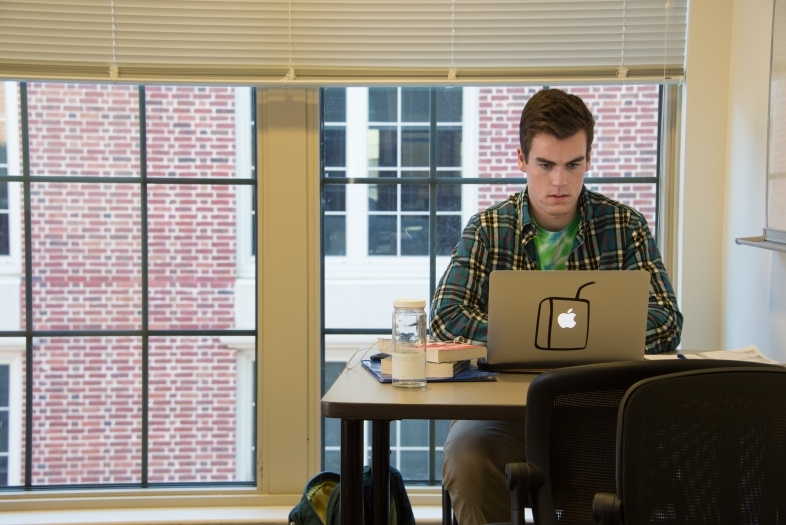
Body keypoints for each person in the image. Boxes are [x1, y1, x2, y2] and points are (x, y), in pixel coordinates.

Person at [430, 88, 683, 525]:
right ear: (521, 159)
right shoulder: (489, 229)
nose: (560, 182)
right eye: (546, 165)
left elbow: (666, 320)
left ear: (589, 159)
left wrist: (589, 342)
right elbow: (444, 316)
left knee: (643, 460)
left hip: (601, 414)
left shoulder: (626, 227)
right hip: (504, 415)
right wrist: (522, 338)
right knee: (467, 453)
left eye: (573, 165)